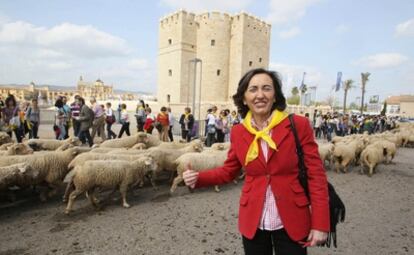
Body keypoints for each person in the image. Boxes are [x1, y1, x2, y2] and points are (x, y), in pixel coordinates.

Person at [183, 68, 329, 255]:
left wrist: (320, 223)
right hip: (254, 219)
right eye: (253, 89)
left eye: (266, 88)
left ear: (275, 95)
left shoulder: (298, 125)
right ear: (244, 98)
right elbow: (229, 171)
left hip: (292, 217)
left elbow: (316, 175)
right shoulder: (238, 132)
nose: (260, 95)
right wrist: (199, 178)